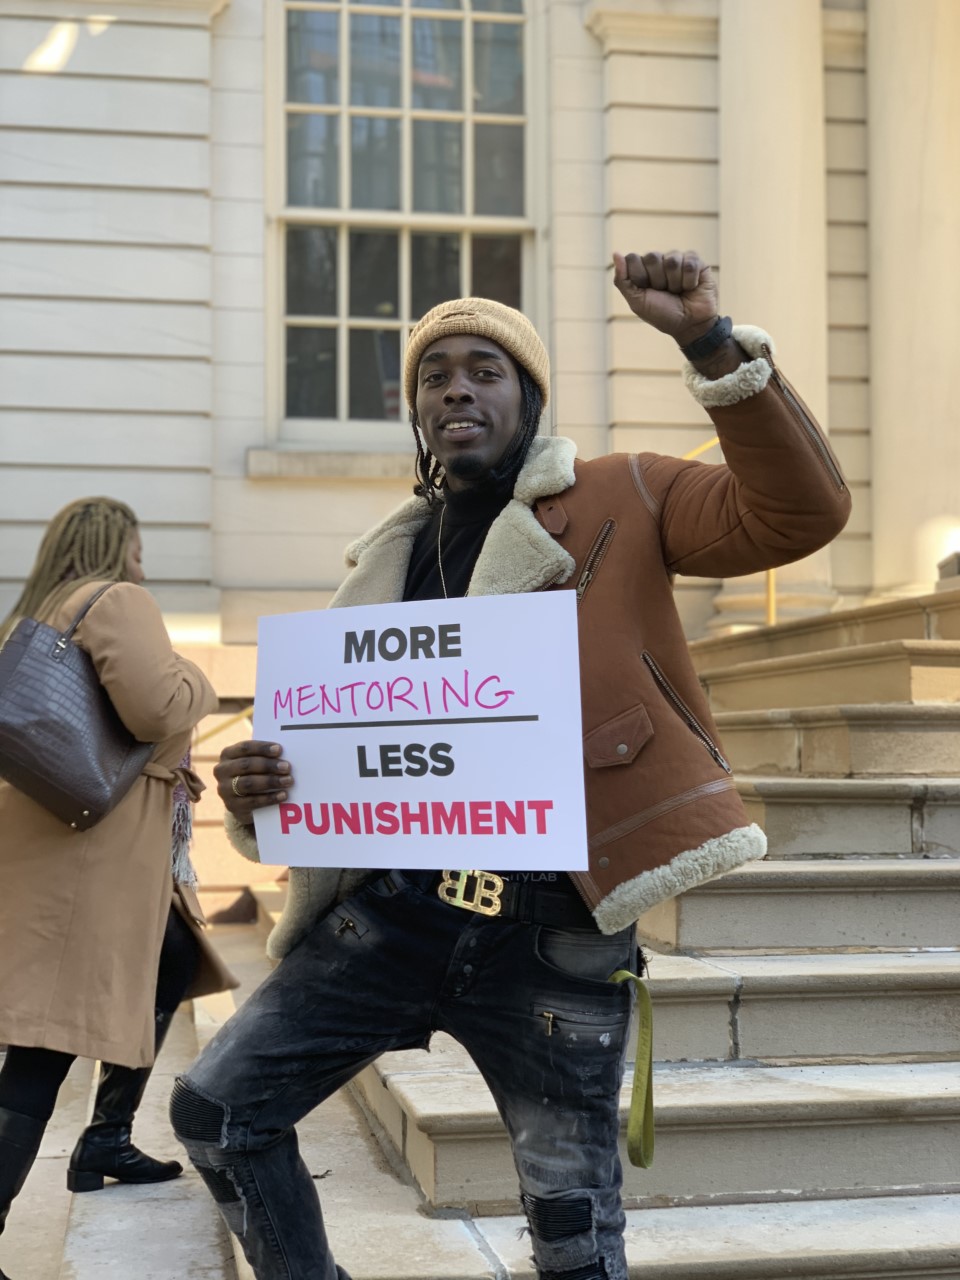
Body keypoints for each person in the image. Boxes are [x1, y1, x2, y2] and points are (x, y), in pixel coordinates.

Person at [171, 251, 851, 1280]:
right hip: (393, 911)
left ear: (530, 397)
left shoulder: (624, 494)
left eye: (485, 367)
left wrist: (706, 339)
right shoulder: (382, 563)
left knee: (574, 1240)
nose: (456, 385)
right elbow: (346, 755)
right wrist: (262, 789)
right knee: (216, 1108)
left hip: (554, 933)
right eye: (435, 370)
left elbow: (800, 512)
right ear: (417, 411)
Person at [0, 498, 234, 1277]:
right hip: (89, 862)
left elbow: (102, 727)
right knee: (43, 1045)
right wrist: (201, 681)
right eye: (138, 545)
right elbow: (157, 703)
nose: (145, 562)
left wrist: (164, 770)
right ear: (114, 546)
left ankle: (105, 1139)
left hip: (69, 846)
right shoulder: (116, 599)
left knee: (167, 961)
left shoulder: (37, 614)